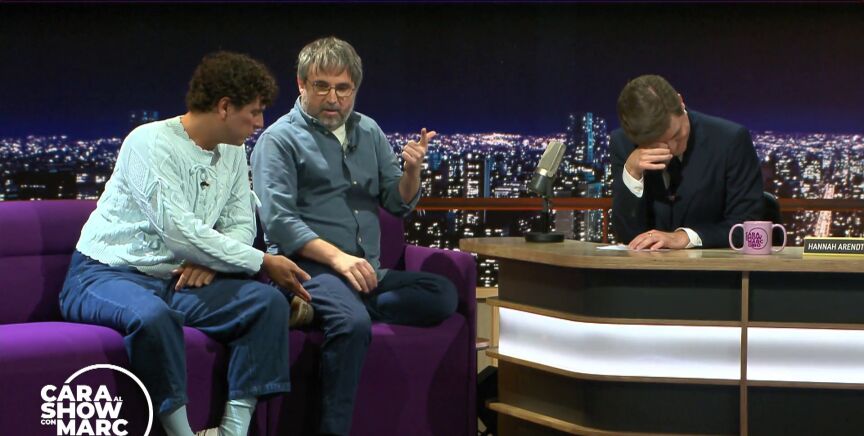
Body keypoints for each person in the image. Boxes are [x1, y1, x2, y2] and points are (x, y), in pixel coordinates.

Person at [60, 51, 312, 436]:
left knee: (266, 304)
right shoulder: (148, 142)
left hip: (175, 279)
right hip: (107, 274)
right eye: (254, 112)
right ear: (224, 107)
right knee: (152, 317)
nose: (260, 123)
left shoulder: (232, 150)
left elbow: (240, 223)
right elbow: (179, 232)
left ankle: (232, 431)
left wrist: (211, 260)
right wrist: (261, 261)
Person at [251, 36, 458, 436]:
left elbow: (396, 202)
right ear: (301, 84)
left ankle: (317, 310)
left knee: (442, 295)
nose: (333, 98)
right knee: (352, 323)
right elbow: (279, 222)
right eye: (322, 86)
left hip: (365, 272)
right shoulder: (278, 140)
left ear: (355, 90)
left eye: (343, 88)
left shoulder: (369, 131)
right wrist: (338, 259)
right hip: (308, 269)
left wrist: (412, 172)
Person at [610, 74, 764, 250]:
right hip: (647, 266)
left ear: (680, 102)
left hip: (714, 264)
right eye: (657, 144)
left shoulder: (730, 140)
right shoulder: (623, 144)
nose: (672, 148)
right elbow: (626, 235)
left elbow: (748, 227)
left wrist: (685, 237)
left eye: (677, 135)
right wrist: (631, 173)